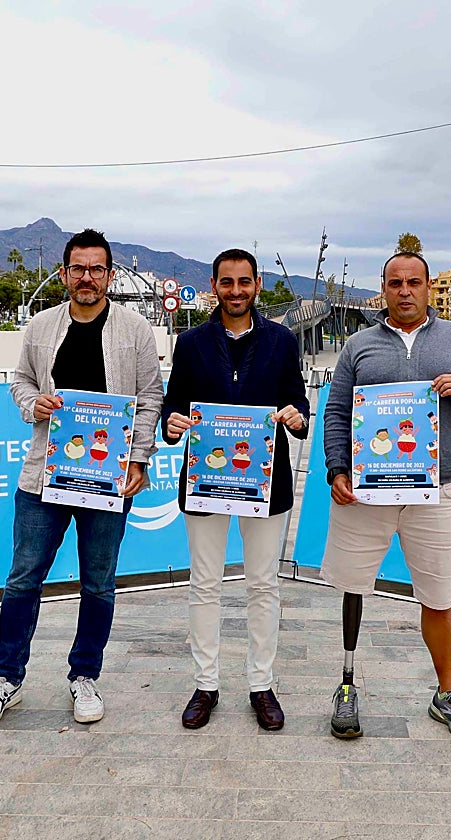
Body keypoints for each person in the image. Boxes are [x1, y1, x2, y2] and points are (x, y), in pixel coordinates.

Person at [0, 228, 163, 727]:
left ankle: (85, 676)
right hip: (44, 477)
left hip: (109, 477)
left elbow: (150, 398)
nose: (87, 277)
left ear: (110, 276)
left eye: (96, 269)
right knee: (23, 578)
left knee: (98, 584)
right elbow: (21, 381)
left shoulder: (136, 330)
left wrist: (138, 459)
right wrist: (32, 403)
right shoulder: (40, 326)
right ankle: (6, 678)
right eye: (78, 268)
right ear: (63, 274)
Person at [321, 250, 451, 740]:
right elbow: (337, 411)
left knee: (440, 597)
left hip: (438, 491)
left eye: (414, 282)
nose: (405, 291)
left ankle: (447, 693)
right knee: (353, 586)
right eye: (395, 282)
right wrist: (337, 468)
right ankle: (347, 685)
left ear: (427, 287)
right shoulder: (358, 345)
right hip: (367, 492)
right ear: (383, 288)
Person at [163, 248, 309, 731]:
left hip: (264, 483)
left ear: (258, 285)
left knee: (263, 584)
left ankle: (261, 684)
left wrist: (296, 417)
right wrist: (172, 424)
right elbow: (172, 406)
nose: (236, 291)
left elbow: (298, 402)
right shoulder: (190, 343)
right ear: (214, 286)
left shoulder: (282, 340)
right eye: (227, 282)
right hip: (206, 481)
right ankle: (205, 684)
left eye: (244, 282)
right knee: (204, 584)